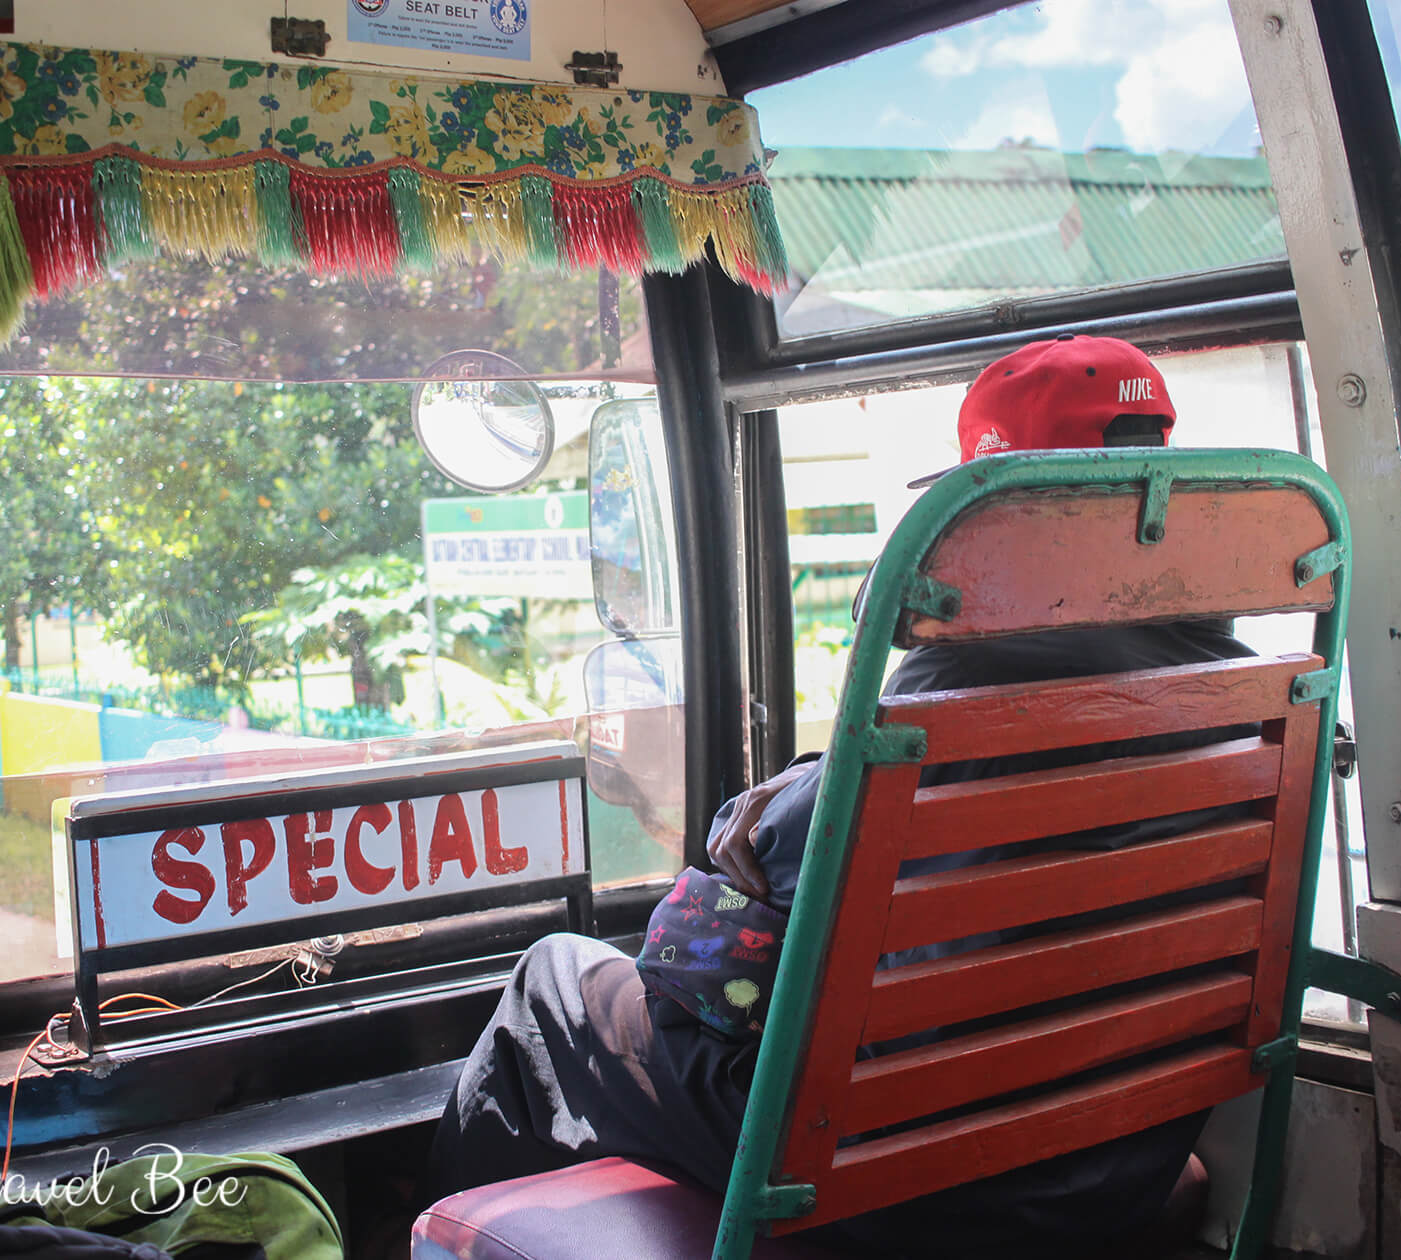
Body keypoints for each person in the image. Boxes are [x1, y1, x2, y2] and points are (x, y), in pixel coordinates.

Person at [423, 335, 1254, 1255]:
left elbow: (764, 852)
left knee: (554, 985)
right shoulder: (1254, 702)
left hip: (904, 1173)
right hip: (1114, 1165)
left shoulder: (956, 694)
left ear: (1005, 509)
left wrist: (794, 790)